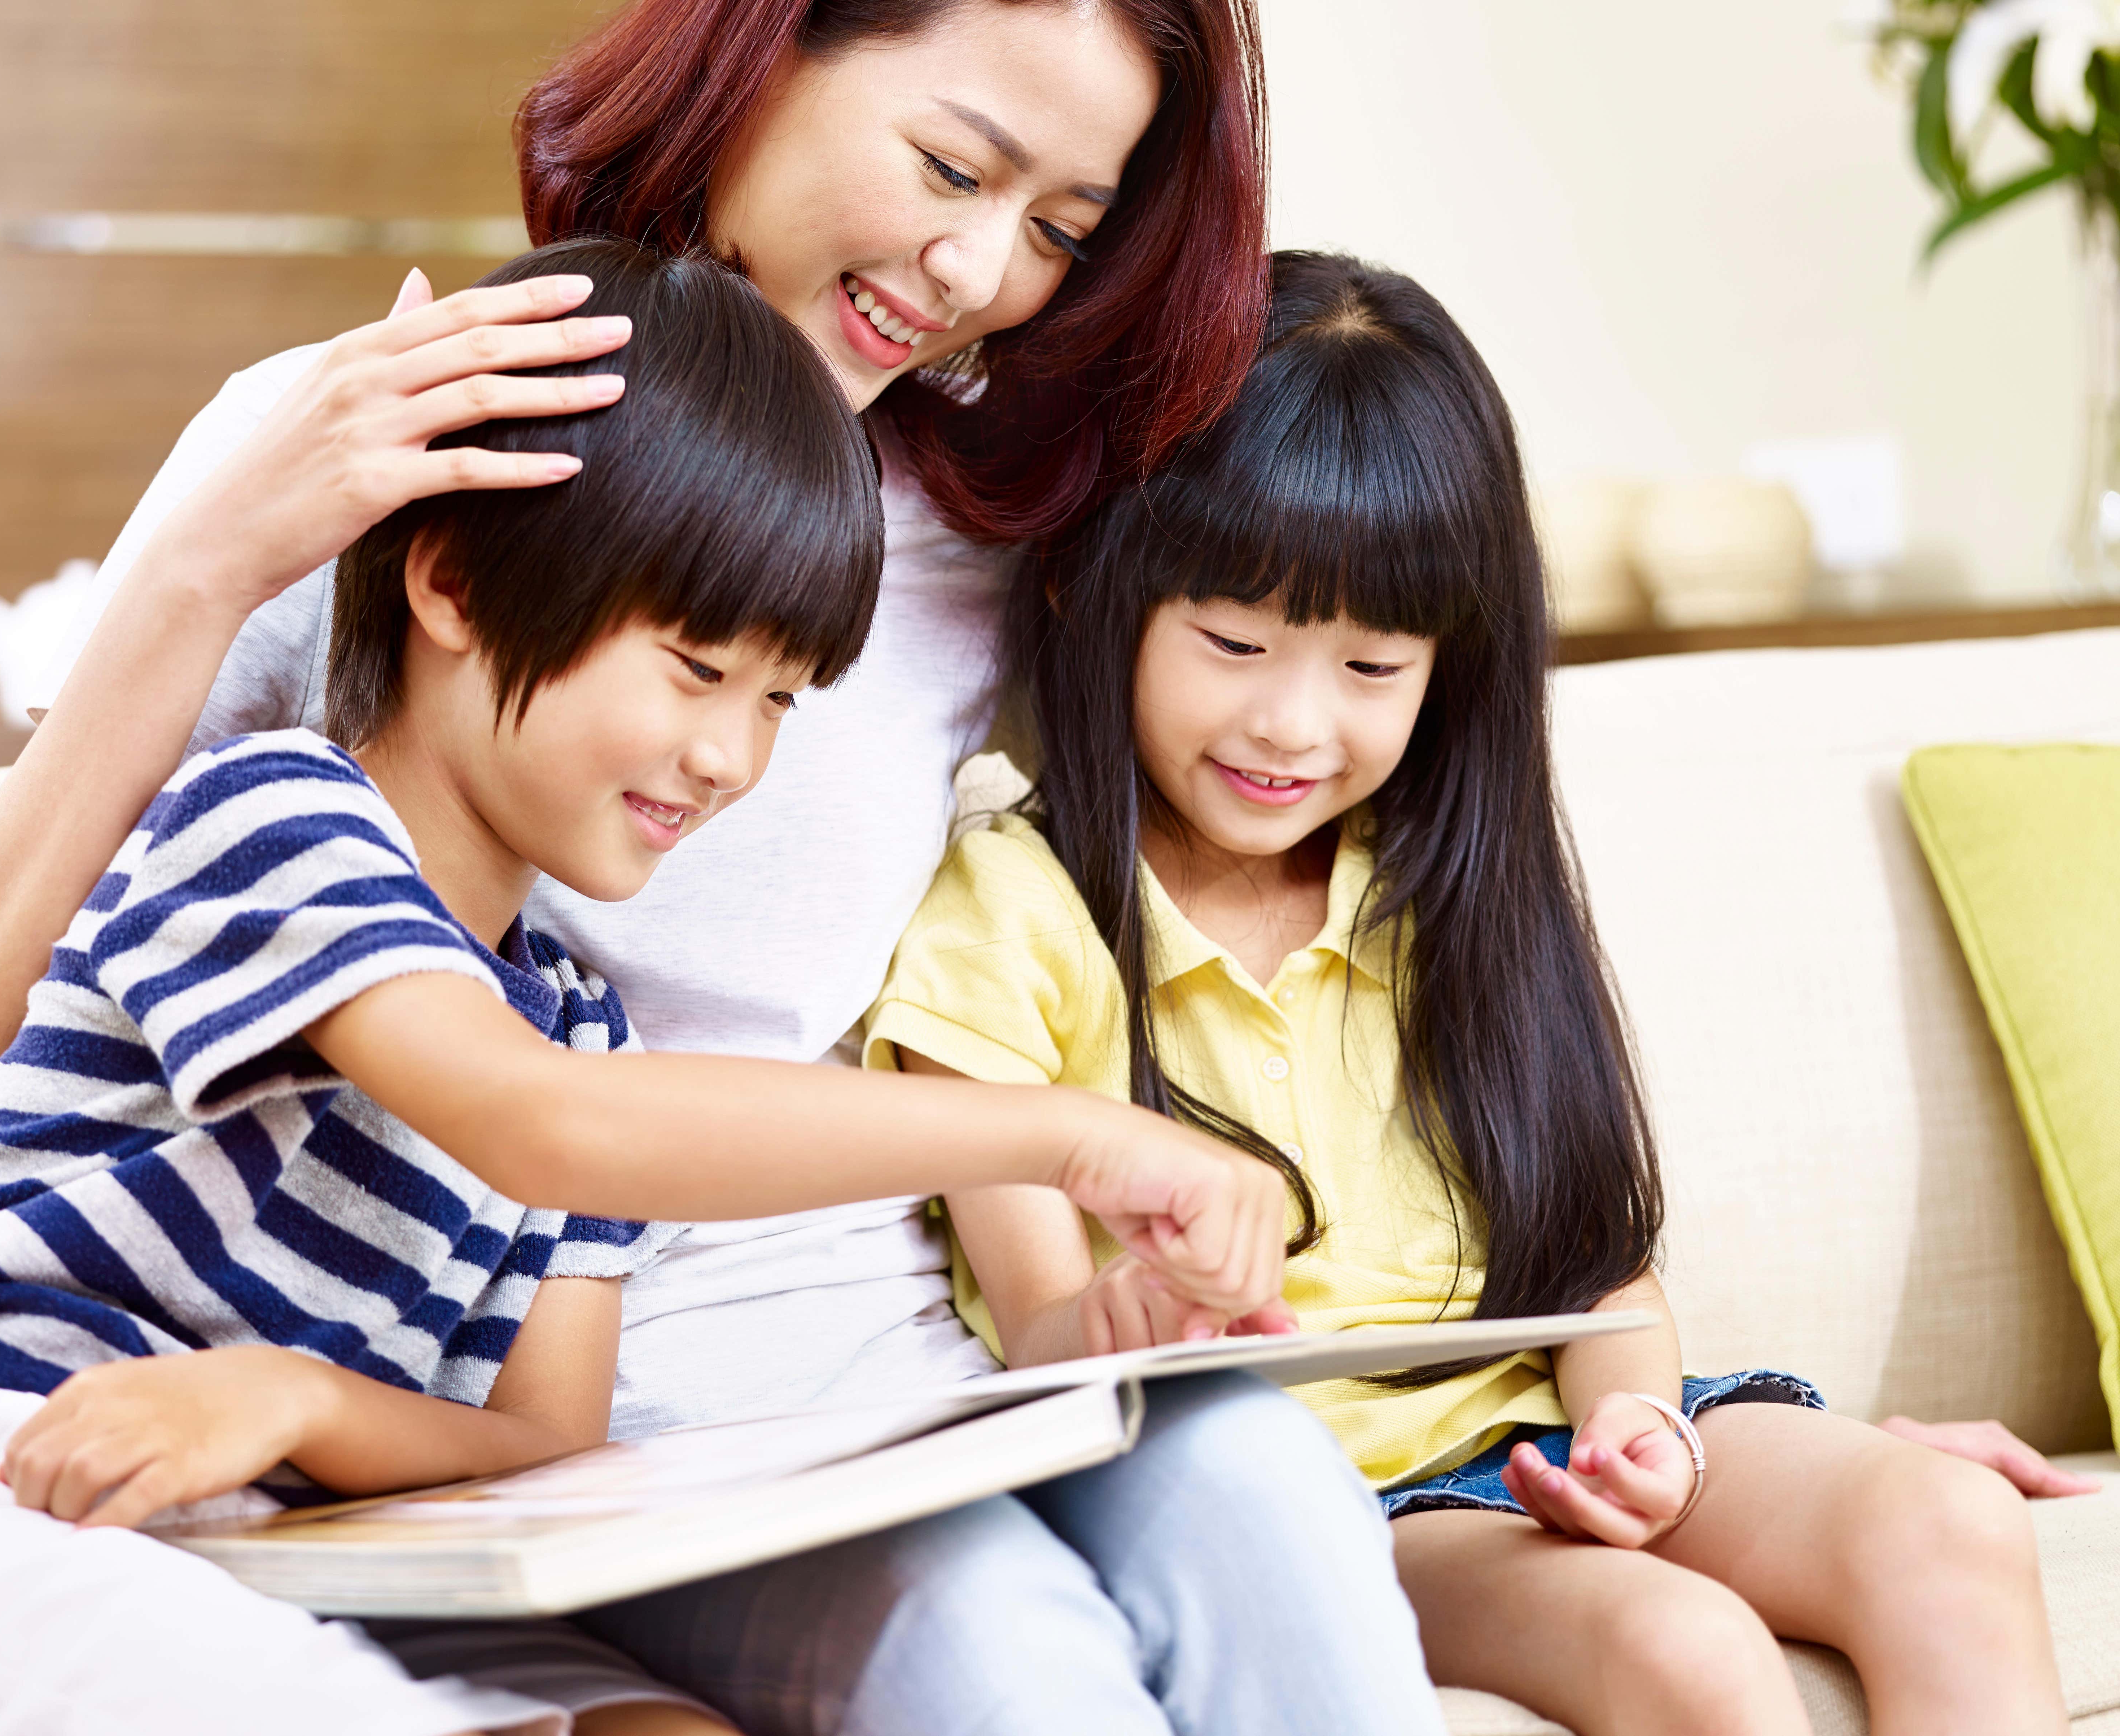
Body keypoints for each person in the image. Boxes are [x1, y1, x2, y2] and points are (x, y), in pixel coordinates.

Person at [0, 5, 1454, 1733]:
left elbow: (1275, 793)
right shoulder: (386, 457)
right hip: (578, 1411)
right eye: (950, 166)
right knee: (991, 1639)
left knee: (1269, 1493)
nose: (977, 267)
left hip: (908, 1383)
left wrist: (1097, 1304)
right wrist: (208, 560)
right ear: (760, 57)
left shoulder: (985, 548)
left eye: (1061, 229)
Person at [867, 249, 2085, 1736]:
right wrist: (1134, 1311)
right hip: (1346, 1501)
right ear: (1098, 593)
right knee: (1681, 1647)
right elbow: (1048, 1341)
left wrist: (1637, 1426)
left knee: (1950, 1526)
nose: (1291, 724)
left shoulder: (1442, 890)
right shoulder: (1017, 914)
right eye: (1233, 644)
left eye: (1372, 665)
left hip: (1561, 1431)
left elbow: (1594, 1262)